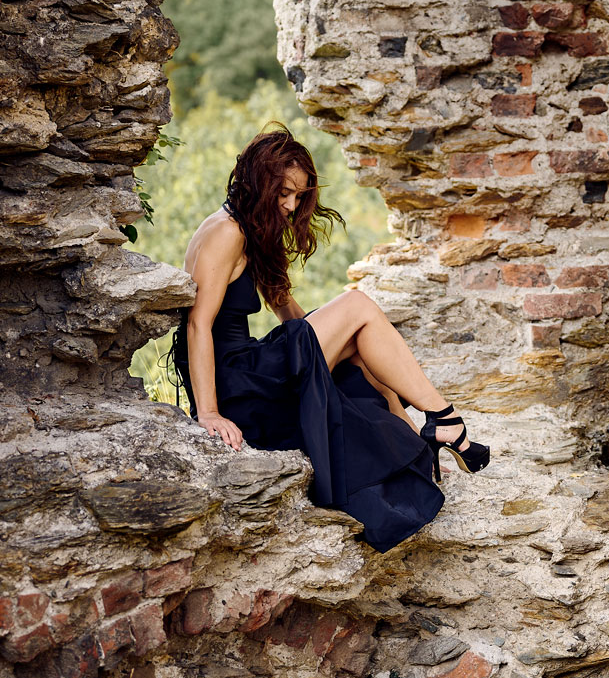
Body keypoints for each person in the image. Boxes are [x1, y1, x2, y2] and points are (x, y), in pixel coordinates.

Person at [171, 123, 489, 552]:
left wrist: (331, 346)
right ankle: (445, 420)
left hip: (250, 368)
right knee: (357, 305)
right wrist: (207, 412)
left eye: (299, 196)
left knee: (358, 339)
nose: (290, 205)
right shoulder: (226, 232)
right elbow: (197, 325)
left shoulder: (253, 226)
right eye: (282, 192)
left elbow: (286, 309)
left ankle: (418, 444)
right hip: (236, 381)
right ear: (255, 182)